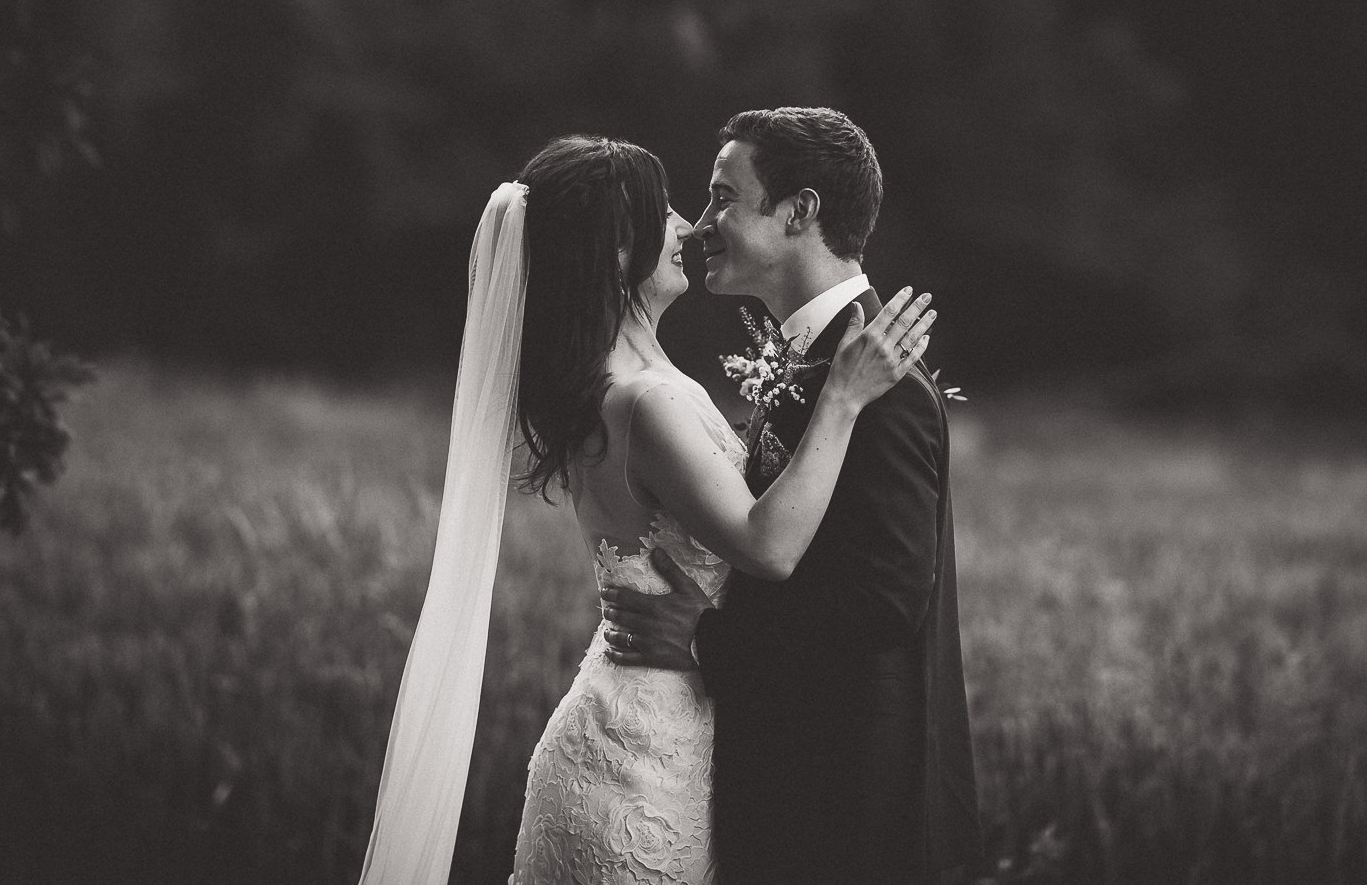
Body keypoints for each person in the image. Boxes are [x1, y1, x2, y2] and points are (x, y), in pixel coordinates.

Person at [357, 133, 938, 885]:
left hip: (634, 728)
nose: (690, 228)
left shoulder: (614, 381)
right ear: (617, 249)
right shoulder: (646, 399)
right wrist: (843, 399)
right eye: (666, 212)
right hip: (642, 768)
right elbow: (768, 546)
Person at [601, 108, 980, 885]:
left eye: (723, 197)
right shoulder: (818, 362)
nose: (702, 223)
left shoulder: (885, 386)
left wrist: (707, 641)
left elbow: (882, 603)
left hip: (849, 815)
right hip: (795, 791)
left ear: (799, 211)